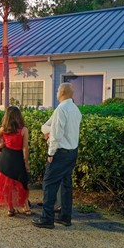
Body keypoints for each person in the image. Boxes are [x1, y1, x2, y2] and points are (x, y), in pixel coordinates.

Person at [32, 83, 82, 229]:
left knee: (49, 183)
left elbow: (56, 135)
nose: (56, 92)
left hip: (60, 153)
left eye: (58, 90)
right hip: (72, 151)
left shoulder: (61, 109)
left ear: (63, 92)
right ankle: (65, 217)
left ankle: (47, 218)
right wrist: (47, 129)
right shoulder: (75, 109)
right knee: (66, 184)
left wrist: (50, 153)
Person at [0, 106, 31, 217]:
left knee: (7, 186)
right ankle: (26, 207)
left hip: (4, 160)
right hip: (17, 159)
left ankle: (10, 209)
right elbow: (25, 148)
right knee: (21, 183)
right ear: (19, 116)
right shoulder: (24, 130)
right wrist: (26, 162)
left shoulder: (4, 129)